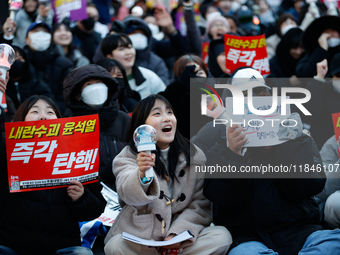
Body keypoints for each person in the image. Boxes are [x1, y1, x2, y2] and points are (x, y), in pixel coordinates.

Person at [203, 68, 340, 254]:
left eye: (259, 94)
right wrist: (235, 155)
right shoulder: (221, 149)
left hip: (300, 231)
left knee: (333, 242)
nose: (254, 102)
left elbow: (310, 186)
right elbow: (222, 198)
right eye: (245, 96)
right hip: (248, 237)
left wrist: (289, 146)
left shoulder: (299, 139)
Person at [103, 94, 232, 254]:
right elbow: (126, 194)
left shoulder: (194, 154)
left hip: (180, 241)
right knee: (115, 245)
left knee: (221, 236)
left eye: (169, 112)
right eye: (157, 114)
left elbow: (200, 205)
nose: (167, 118)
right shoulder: (127, 156)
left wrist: (176, 234)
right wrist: (142, 173)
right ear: (142, 125)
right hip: (141, 237)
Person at [0, 93, 106, 254]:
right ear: (21, 120)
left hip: (62, 247)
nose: (43, 117)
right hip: (12, 245)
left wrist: (81, 198)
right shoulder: (6, 149)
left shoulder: (77, 156)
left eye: (50, 112)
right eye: (34, 111)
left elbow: (96, 209)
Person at [63, 64, 131, 191]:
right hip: (90, 193)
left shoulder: (124, 119)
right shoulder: (69, 126)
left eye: (99, 82)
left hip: (127, 189)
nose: (95, 87)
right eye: (88, 84)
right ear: (77, 95)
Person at [24, 21, 73, 115]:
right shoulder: (21, 63)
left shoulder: (64, 64)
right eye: (36, 31)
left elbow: (67, 96)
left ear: (50, 39)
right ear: (26, 39)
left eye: (45, 32)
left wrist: (55, 114)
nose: (41, 35)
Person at [101, 33, 166, 99]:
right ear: (109, 56)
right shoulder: (101, 80)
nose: (128, 52)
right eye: (121, 49)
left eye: (130, 47)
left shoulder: (148, 76)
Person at [160, 54, 209, 139]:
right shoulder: (172, 96)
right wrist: (183, 84)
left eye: (200, 72)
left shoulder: (215, 93)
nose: (195, 77)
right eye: (189, 73)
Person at [301, 53, 340, 150]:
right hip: (325, 149)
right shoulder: (322, 89)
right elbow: (307, 111)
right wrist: (319, 78)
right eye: (339, 75)